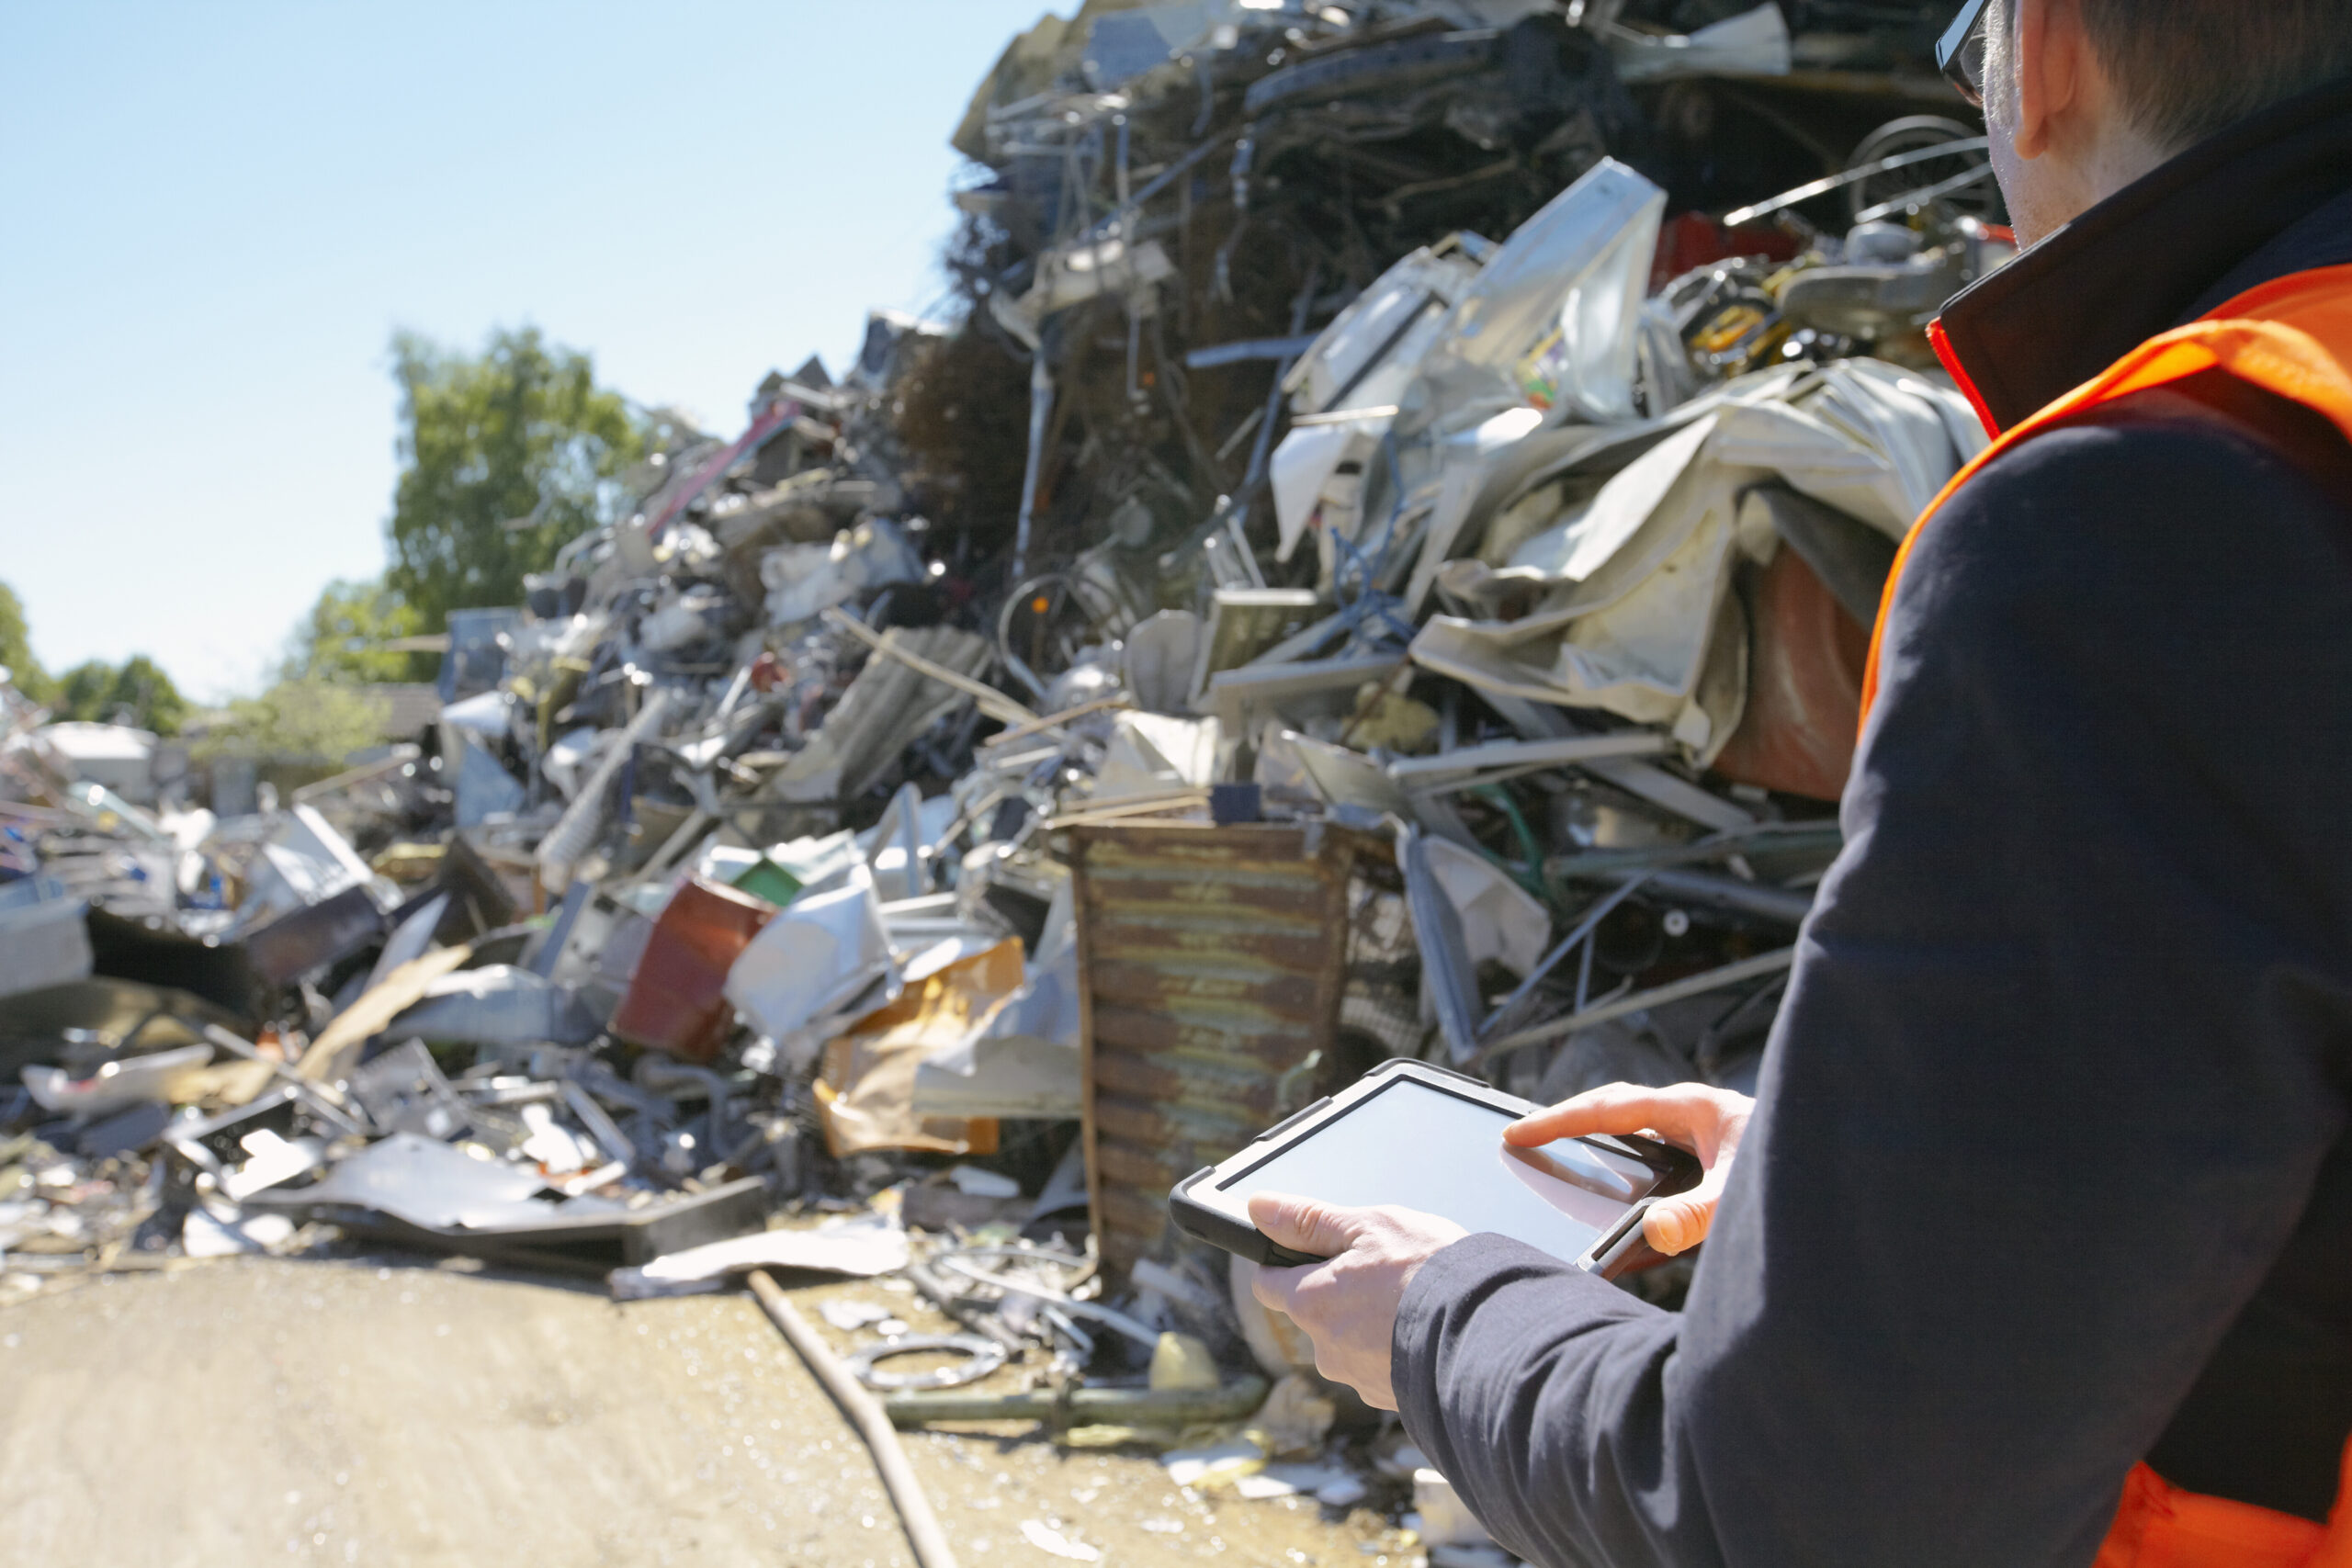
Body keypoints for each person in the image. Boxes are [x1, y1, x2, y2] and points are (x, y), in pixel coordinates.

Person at [1246, 1, 2352, 1562]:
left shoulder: (2146, 519)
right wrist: (1889, 1173)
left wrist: (1446, 1313)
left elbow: (1811, 1513)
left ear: (2044, 51)